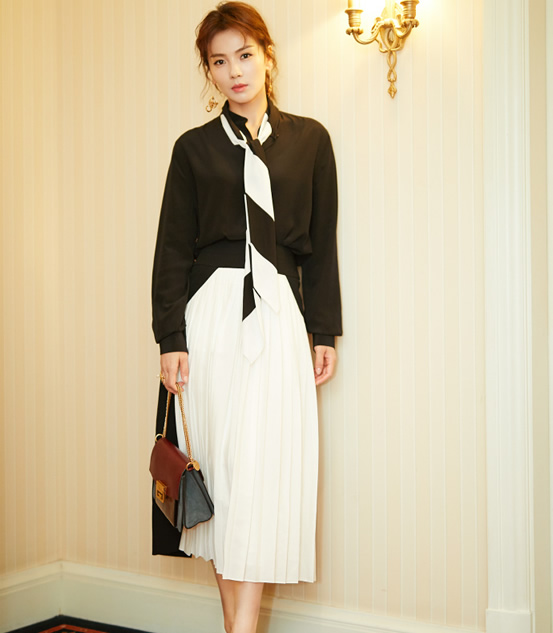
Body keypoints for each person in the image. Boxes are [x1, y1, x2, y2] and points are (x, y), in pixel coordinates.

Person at [151, 3, 342, 632]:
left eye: (244, 55)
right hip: (210, 319)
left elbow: (320, 245)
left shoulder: (310, 141)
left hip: (280, 316)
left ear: (267, 56)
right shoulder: (193, 149)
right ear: (208, 71)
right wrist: (170, 338)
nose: (234, 71)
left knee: (262, 476)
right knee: (223, 478)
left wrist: (323, 330)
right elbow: (172, 249)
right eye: (219, 61)